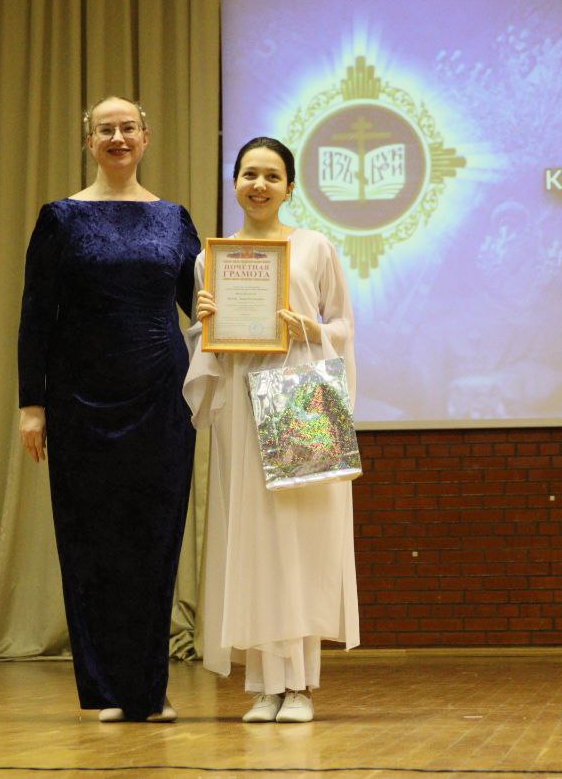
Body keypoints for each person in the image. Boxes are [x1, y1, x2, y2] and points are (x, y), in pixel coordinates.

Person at [17, 96, 199, 722]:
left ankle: (147, 688)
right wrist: (32, 405)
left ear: (146, 137)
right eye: (105, 129)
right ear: (89, 141)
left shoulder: (174, 219)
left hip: (162, 399)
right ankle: (107, 686)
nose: (117, 137)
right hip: (81, 401)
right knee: (90, 541)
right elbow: (36, 315)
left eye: (127, 128)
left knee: (154, 539)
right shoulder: (60, 219)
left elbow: (203, 302)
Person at [185, 137, 359, 723]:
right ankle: (264, 685)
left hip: (299, 398)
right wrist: (206, 325)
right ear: (235, 182)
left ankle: (300, 685)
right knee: (253, 541)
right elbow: (209, 346)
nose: (259, 185)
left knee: (298, 543)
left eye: (272, 176)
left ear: (290, 187)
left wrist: (313, 330)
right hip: (241, 404)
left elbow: (343, 325)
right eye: (249, 174)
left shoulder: (314, 247)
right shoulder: (213, 258)